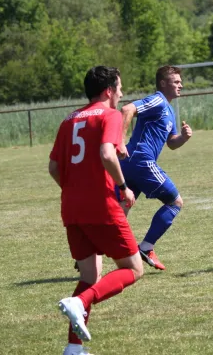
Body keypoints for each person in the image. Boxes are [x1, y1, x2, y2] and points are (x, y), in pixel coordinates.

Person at [49, 66, 144, 355]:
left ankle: (73, 350)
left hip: (71, 208)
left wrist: (75, 187)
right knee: (133, 269)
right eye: (120, 88)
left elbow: (53, 167)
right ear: (108, 91)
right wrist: (124, 186)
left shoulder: (69, 119)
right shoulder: (110, 115)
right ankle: (79, 303)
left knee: (88, 277)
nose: (122, 93)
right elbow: (105, 153)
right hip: (101, 206)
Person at [117, 65, 192, 271]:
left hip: (129, 164)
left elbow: (171, 143)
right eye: (176, 82)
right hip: (141, 161)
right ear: (163, 83)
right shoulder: (158, 99)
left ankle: (90, 253)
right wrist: (120, 141)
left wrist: (183, 138)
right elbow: (127, 109)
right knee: (175, 202)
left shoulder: (168, 109)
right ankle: (146, 247)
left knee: (119, 211)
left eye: (180, 82)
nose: (181, 85)